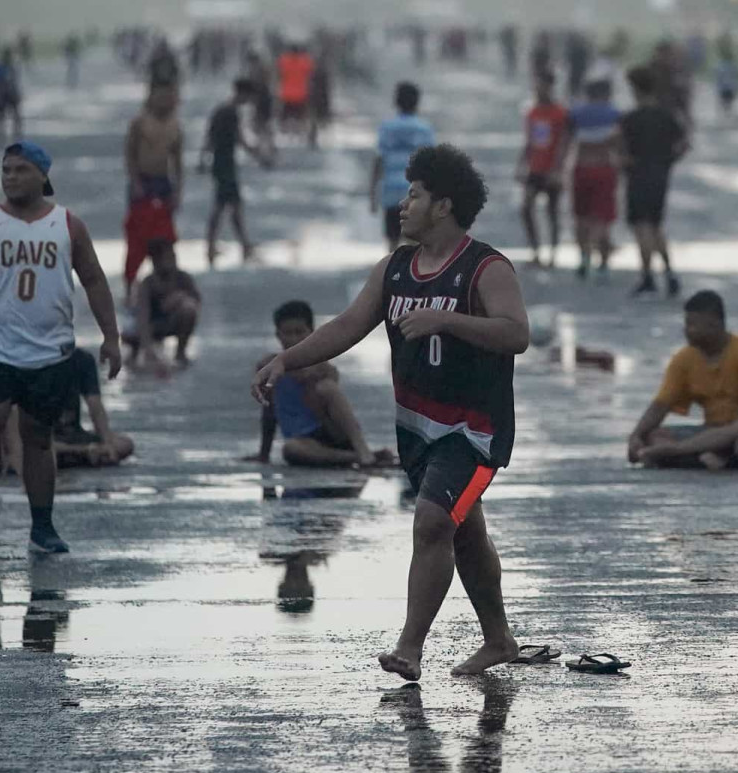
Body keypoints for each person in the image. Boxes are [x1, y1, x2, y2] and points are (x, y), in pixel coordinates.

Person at [253, 144, 527, 680]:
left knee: (431, 523)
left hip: (475, 433)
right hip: (418, 431)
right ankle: (499, 640)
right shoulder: (395, 268)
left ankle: (409, 647)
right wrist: (285, 360)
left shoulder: (486, 267)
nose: (403, 204)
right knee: (463, 529)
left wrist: (446, 321)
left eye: (415, 194)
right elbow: (345, 327)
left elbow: (516, 334)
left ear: (442, 206)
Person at [0, 141, 122, 555]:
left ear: (43, 176)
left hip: (49, 349)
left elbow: (94, 279)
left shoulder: (68, 225)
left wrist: (111, 337)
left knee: (38, 437)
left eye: (20, 170)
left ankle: (43, 524)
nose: (10, 177)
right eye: (6, 170)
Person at [627, 290, 738, 470]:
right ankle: (711, 456)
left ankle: (680, 453)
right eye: (686, 323)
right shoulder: (684, 358)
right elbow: (661, 404)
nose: (686, 330)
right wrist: (636, 436)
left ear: (715, 324)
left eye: (692, 325)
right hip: (711, 433)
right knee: (653, 435)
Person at [249, 299, 394, 468]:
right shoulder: (268, 368)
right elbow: (268, 413)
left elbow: (332, 405)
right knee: (290, 449)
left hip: (331, 434)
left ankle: (363, 451)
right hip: (303, 442)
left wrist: (309, 380)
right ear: (278, 335)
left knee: (327, 388)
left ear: (311, 332)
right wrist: (264, 454)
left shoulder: (322, 367)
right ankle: (357, 457)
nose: (293, 339)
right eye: (287, 333)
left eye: (299, 332)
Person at [619, 66, 690, 297]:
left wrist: (625, 162)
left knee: (642, 227)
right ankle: (669, 272)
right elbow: (684, 144)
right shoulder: (666, 116)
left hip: (638, 176)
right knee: (656, 226)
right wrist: (668, 161)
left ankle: (647, 275)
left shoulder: (630, 119)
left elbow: (620, 150)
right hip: (660, 176)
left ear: (635, 89)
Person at [122, 83, 185, 295]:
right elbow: (130, 154)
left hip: (163, 182)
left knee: (166, 238)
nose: (165, 100)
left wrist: (177, 191)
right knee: (137, 238)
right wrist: (136, 182)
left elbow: (177, 161)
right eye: (161, 95)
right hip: (143, 183)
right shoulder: (139, 122)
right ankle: (130, 287)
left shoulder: (175, 125)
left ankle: (167, 287)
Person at [200, 78, 270, 266]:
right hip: (225, 166)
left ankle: (228, 245)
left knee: (228, 207)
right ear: (244, 94)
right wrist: (259, 156)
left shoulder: (223, 110)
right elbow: (238, 139)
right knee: (226, 208)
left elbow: (210, 136)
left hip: (222, 164)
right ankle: (221, 246)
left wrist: (203, 157)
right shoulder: (229, 113)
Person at [566, 79, 621, 279]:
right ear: (606, 94)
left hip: (581, 168)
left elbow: (567, 142)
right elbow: (619, 146)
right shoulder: (614, 114)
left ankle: (584, 257)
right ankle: (603, 264)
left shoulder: (575, 114)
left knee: (581, 217)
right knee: (603, 219)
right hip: (605, 168)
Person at [370, 81, 435, 250]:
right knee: (415, 244)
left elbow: (379, 160)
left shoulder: (386, 128)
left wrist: (372, 194)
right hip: (416, 195)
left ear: (396, 102)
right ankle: (412, 276)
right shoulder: (424, 130)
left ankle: (393, 274)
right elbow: (432, 165)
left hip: (391, 192)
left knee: (393, 244)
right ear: (417, 102)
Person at [44, 347, 135, 468]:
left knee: (124, 444)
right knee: (32, 448)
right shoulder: (29, 360)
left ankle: (81, 454)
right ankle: (81, 453)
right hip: (39, 437)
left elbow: (96, 407)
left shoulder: (81, 359)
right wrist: (86, 449)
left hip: (71, 434)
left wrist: (107, 443)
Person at [516, 72, 569, 268]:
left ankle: (553, 254)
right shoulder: (531, 111)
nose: (540, 89)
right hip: (535, 168)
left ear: (550, 87)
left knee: (552, 211)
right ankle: (535, 250)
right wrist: (521, 165)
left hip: (552, 169)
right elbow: (529, 140)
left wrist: (558, 169)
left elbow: (564, 142)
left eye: (543, 86)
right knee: (525, 207)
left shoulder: (560, 112)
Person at [130, 239, 200, 372]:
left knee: (189, 309)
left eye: (173, 256)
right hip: (152, 325)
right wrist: (148, 349)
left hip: (171, 321)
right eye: (168, 257)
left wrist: (179, 299)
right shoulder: (148, 283)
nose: (172, 260)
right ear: (156, 261)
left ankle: (180, 352)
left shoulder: (183, 278)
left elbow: (196, 302)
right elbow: (142, 316)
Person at [276, 43, 317, 147]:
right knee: (302, 117)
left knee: (285, 117)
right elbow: (312, 74)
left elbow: (278, 74)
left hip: (287, 94)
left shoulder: (283, 60)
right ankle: (302, 134)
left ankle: (286, 133)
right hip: (301, 94)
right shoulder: (305, 61)